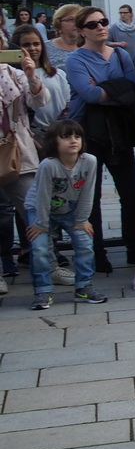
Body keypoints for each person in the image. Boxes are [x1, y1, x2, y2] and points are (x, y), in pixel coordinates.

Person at [65, 6, 135, 287]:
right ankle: (96, 252)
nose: (100, 27)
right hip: (88, 131)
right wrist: (117, 90)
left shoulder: (120, 54)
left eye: (103, 22)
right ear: (81, 31)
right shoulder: (75, 59)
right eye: (92, 24)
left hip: (119, 129)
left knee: (131, 192)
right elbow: (89, 95)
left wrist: (106, 89)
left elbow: (133, 90)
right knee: (91, 196)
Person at [27, 121, 104, 310]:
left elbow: (88, 193)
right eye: (66, 137)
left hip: (71, 208)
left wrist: (82, 220)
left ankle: (84, 287)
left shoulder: (90, 161)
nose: (73, 141)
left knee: (85, 244)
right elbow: (43, 196)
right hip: (39, 209)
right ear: (54, 142)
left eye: (77, 136)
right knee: (40, 249)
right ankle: (43, 291)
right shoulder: (48, 165)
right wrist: (41, 224)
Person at [0, 34, 47, 291]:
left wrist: (31, 75)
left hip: (17, 153)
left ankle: (47, 268)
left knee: (34, 211)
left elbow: (40, 100)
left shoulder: (13, 73)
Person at [46, 5, 82, 72]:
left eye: (79, 20)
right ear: (58, 23)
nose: (76, 23)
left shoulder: (91, 47)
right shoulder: (44, 48)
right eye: (71, 20)